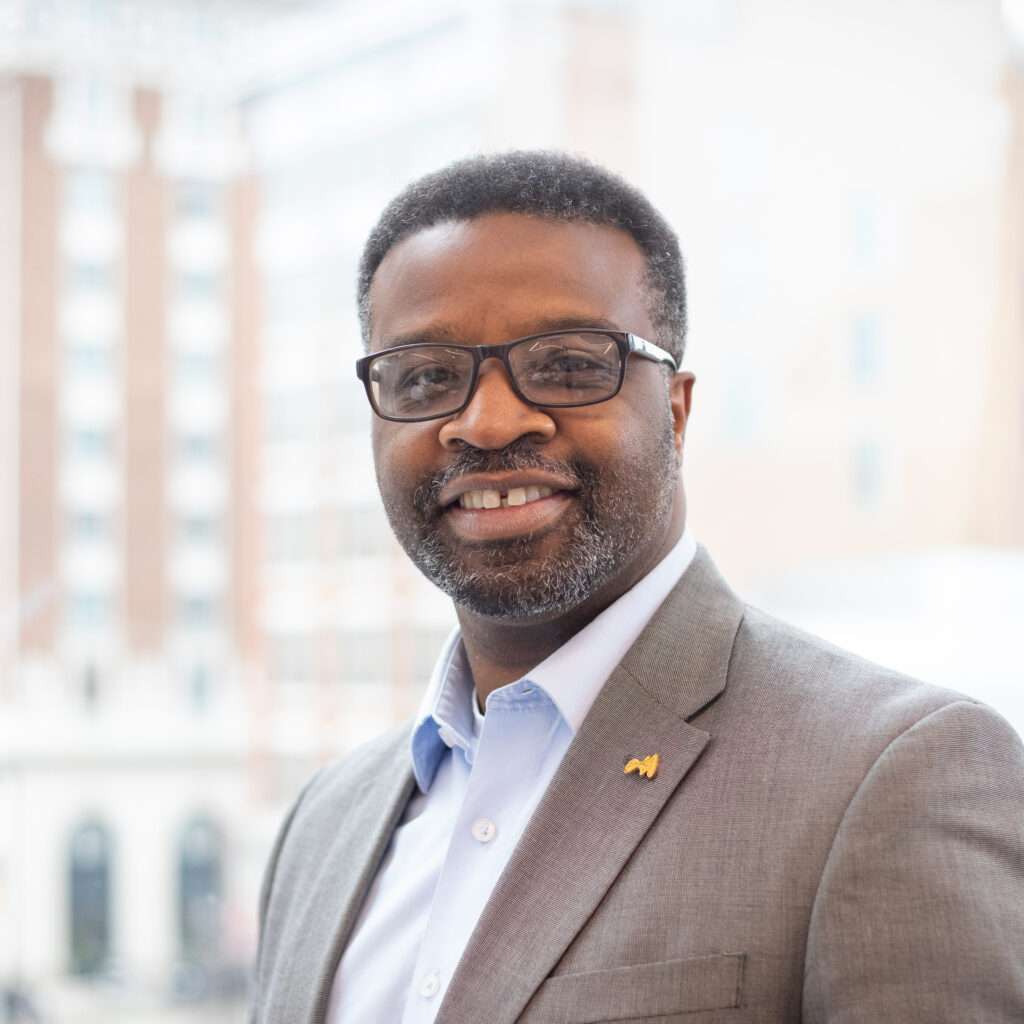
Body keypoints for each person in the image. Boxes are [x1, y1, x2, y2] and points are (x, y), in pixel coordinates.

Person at [249, 152, 1024, 1024]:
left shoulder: (891, 775)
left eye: (570, 365)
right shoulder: (325, 825)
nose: (489, 420)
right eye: (427, 376)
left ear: (678, 411)